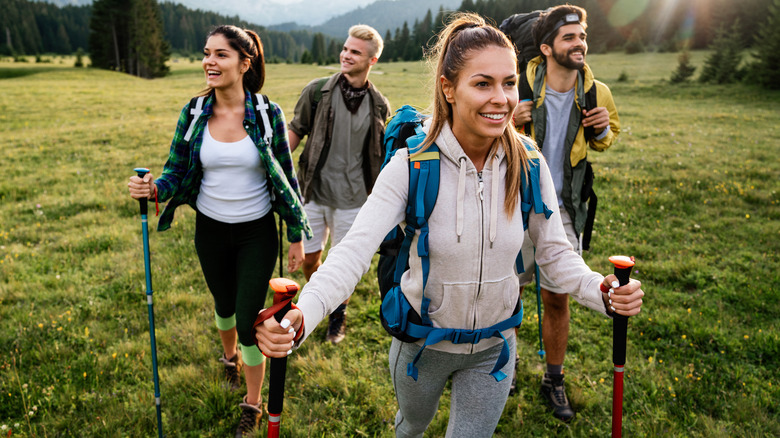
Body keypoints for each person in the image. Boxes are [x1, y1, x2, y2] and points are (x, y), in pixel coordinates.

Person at [255, 13, 642, 437]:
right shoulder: (411, 167)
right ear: (448, 89)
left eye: (509, 83)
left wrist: (599, 291)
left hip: (494, 351)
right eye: (482, 83)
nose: (501, 99)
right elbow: (351, 254)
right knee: (411, 429)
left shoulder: (529, 163)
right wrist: (302, 317)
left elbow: (554, 252)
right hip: (421, 348)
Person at [127, 25, 311, 437]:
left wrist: (296, 233)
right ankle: (228, 359)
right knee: (223, 305)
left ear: (245, 63)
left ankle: (253, 403)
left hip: (256, 233)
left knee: (248, 319)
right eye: (206, 53)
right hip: (210, 230)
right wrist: (153, 189)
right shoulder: (194, 112)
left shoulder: (267, 113)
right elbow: (176, 170)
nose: (210, 61)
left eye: (221, 55)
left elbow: (286, 177)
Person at [511, 5, 621, 422]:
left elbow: (604, 141)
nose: (580, 45)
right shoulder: (517, 86)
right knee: (508, 293)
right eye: (569, 38)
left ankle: (553, 379)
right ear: (546, 47)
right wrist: (511, 120)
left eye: (582, 36)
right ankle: (506, 365)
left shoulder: (596, 92)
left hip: (565, 209)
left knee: (558, 297)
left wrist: (601, 128)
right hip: (515, 204)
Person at [287, 24, 390, 344]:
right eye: (345, 49)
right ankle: (318, 300)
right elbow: (295, 129)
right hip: (314, 192)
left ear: (371, 60)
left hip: (355, 199)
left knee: (343, 266)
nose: (346, 55)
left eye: (355, 52)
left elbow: (381, 152)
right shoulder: (317, 91)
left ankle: (337, 315)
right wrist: (273, 160)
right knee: (310, 258)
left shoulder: (379, 104)